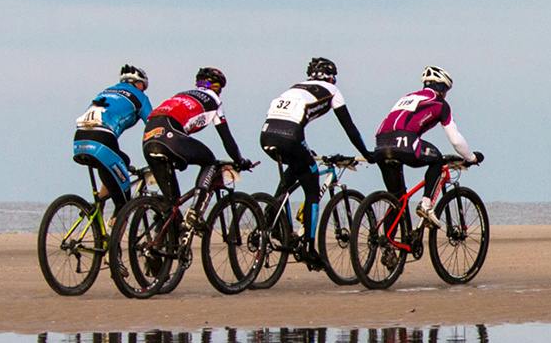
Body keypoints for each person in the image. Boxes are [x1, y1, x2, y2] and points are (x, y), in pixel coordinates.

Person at [260, 57, 372, 262]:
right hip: (291, 136)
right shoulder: (332, 91)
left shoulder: (295, 88)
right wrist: (367, 153)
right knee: (312, 189)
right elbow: (350, 128)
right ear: (331, 77)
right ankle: (309, 247)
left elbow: (290, 120)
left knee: (296, 167)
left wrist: (306, 150)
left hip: (266, 135)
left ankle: (272, 220)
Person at [376, 67, 480, 227]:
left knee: (396, 198)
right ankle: (425, 205)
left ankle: (387, 244)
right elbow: (456, 140)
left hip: (381, 143)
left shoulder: (407, 97)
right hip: (405, 141)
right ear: (442, 88)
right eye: (446, 90)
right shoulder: (440, 103)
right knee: (437, 160)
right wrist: (471, 157)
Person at [143, 66, 254, 204]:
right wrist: (240, 161)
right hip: (171, 137)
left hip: (149, 137)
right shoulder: (214, 101)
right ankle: (196, 211)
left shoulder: (181, 94)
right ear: (217, 88)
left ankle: (165, 221)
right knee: (209, 161)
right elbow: (227, 139)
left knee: (172, 204)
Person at [72, 65, 154, 208]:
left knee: (119, 161)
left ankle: (98, 210)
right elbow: (153, 125)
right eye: (143, 86)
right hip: (102, 139)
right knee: (124, 204)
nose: (143, 89)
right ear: (137, 83)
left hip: (79, 139)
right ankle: (118, 222)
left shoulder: (105, 92)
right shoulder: (140, 97)